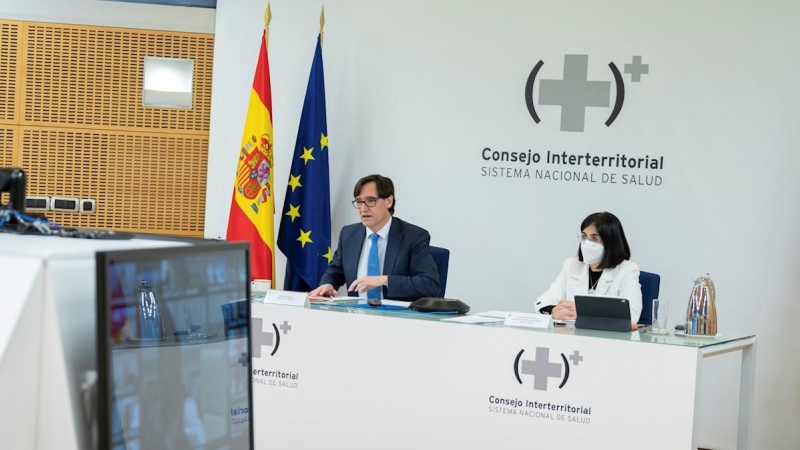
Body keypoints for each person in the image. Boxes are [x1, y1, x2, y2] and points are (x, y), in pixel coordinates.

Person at [308, 174, 440, 301]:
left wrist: (384, 280)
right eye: (359, 202)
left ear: (389, 201)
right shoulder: (349, 234)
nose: (363, 208)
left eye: (370, 201)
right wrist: (328, 285)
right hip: (355, 315)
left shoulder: (413, 236)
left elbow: (429, 284)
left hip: (397, 318)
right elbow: (334, 273)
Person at [535, 212, 642, 324]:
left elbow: (632, 316)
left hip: (608, 339)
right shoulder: (571, 265)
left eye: (594, 239)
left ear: (611, 243)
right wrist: (553, 310)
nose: (586, 243)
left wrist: (585, 313)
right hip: (572, 337)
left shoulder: (627, 269)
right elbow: (543, 301)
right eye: (584, 237)